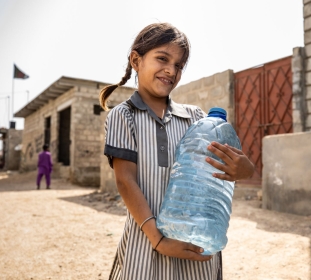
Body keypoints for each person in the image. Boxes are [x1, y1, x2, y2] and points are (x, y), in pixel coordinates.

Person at [101, 23, 255, 280]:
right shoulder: (123, 116)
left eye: (179, 65)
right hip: (147, 246)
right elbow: (125, 181)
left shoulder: (195, 117)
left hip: (197, 248)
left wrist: (245, 169)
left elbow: (223, 168)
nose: (171, 70)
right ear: (136, 60)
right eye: (162, 58)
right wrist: (159, 240)